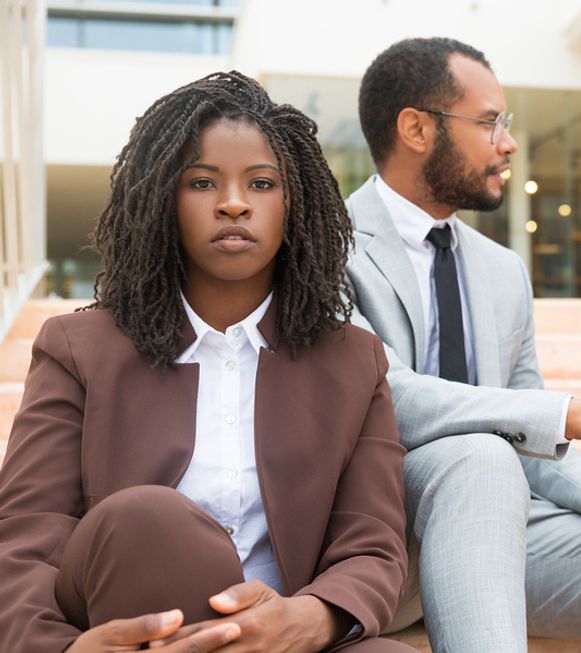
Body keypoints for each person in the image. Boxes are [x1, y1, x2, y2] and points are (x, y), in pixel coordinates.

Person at [0, 71, 415, 653]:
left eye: (262, 183)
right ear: (162, 200)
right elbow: (24, 538)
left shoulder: (352, 360)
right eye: (201, 182)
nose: (234, 204)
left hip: (284, 638)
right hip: (132, 630)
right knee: (147, 522)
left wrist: (314, 617)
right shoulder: (78, 348)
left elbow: (371, 543)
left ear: (293, 204)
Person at [345, 37, 581, 653]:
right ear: (416, 128)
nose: (509, 142)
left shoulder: (502, 271)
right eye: (490, 121)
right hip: (371, 543)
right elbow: (383, 394)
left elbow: (522, 417)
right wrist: (573, 413)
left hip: (504, 536)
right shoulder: (326, 248)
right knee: (478, 458)